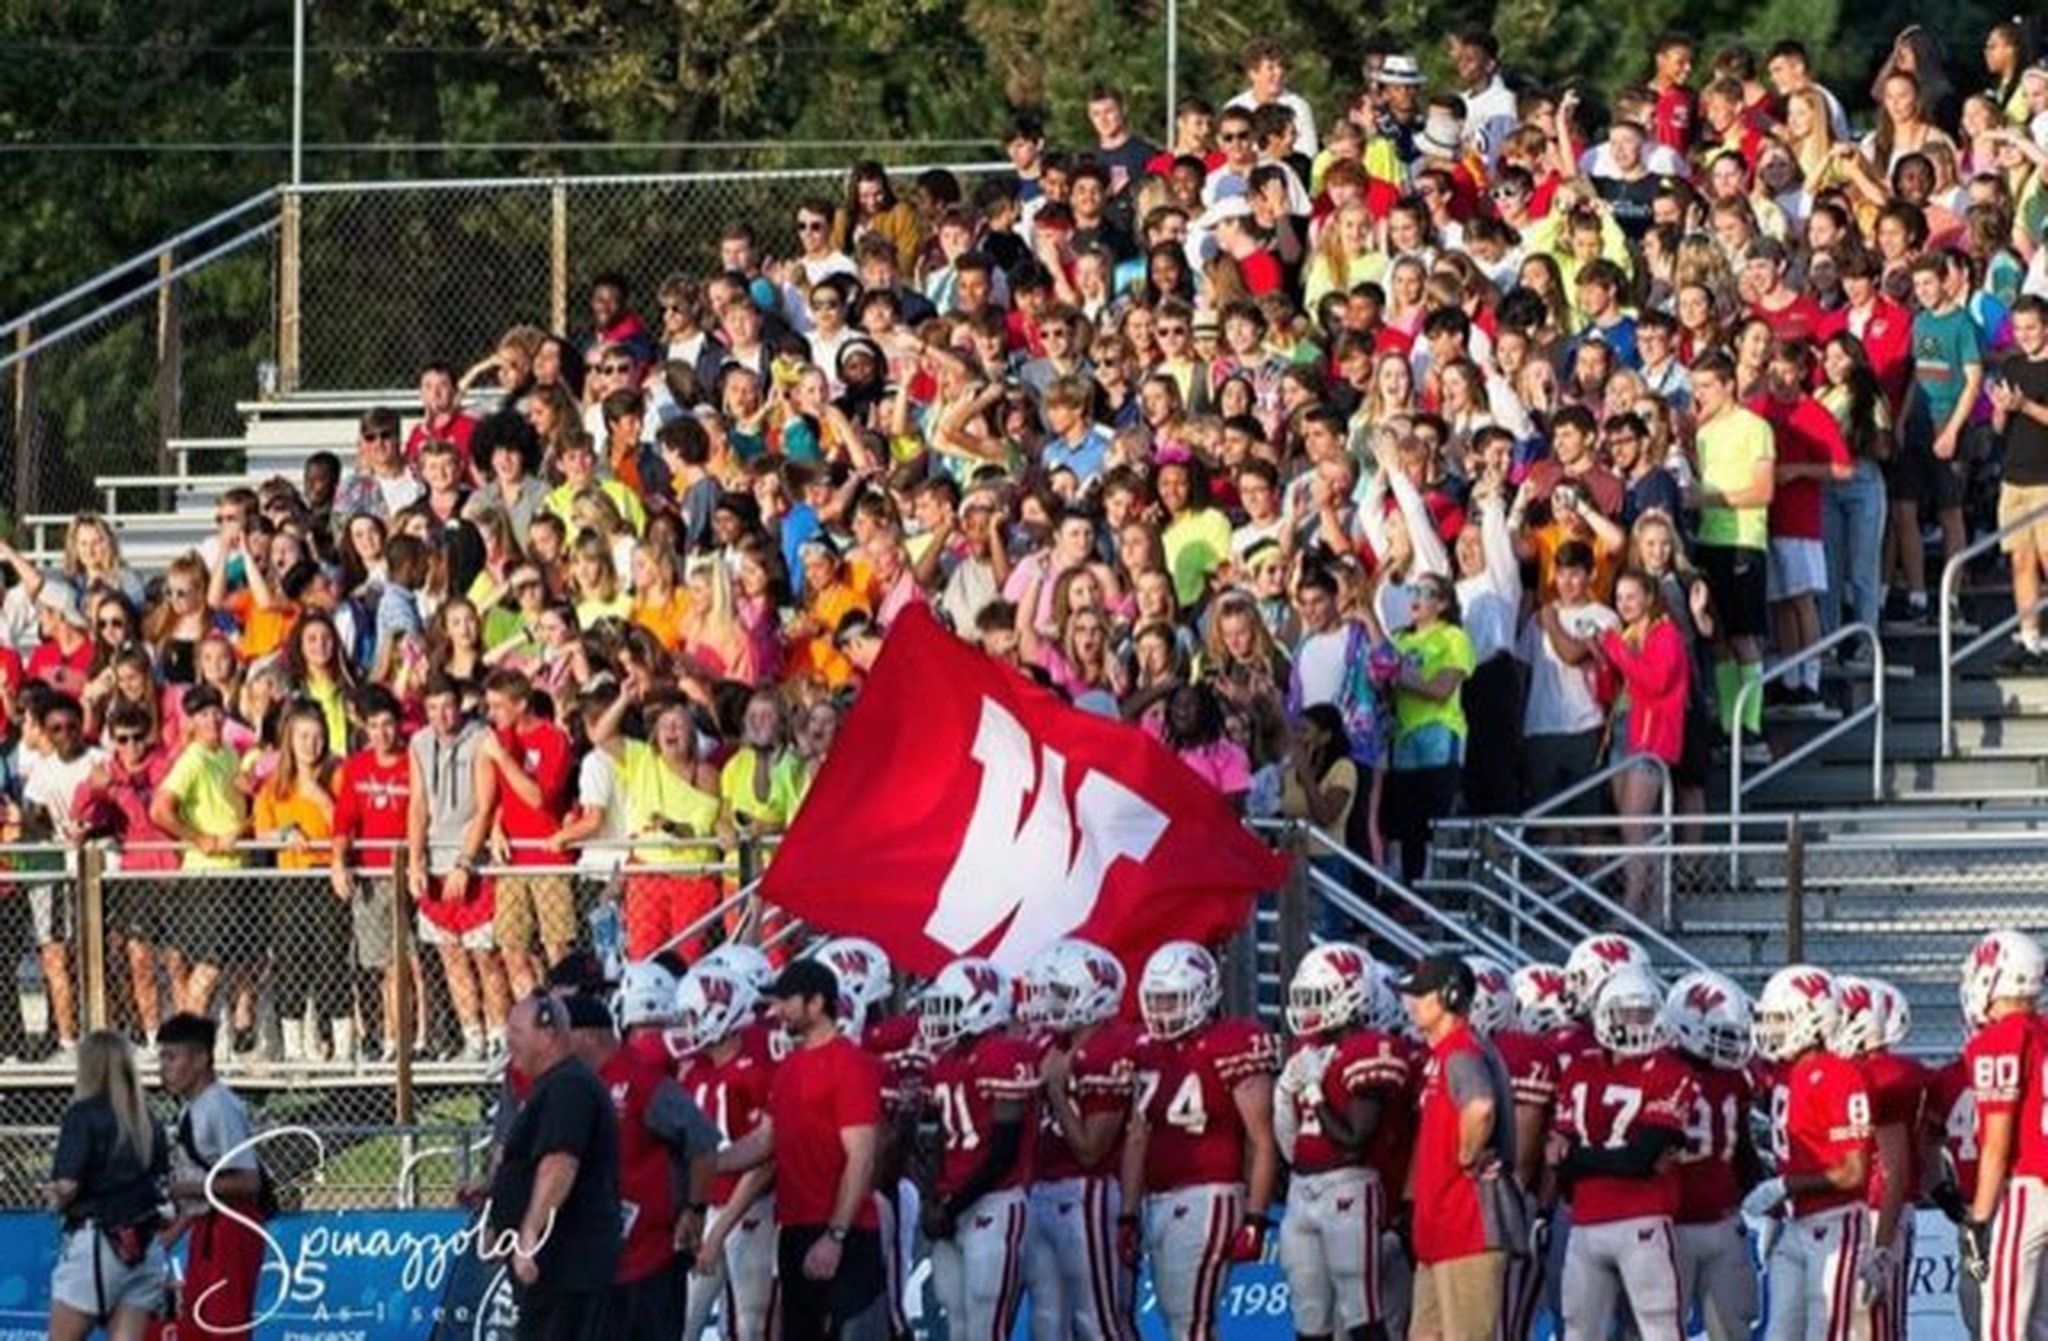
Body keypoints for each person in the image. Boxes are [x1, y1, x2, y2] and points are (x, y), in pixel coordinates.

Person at [717, 958, 888, 1340]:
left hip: (843, 1231)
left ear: (815, 1003)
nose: (775, 1010)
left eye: (785, 1001)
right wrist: (711, 1162)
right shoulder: (789, 1067)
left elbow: (861, 1156)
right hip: (795, 1227)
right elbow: (765, 1141)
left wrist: (836, 1235)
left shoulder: (850, 1064)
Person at [1120, 939, 1279, 1341]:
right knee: (1180, 1322)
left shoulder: (1232, 1043)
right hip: (1158, 1199)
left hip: (1209, 1195)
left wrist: (1255, 1217)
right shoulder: (1144, 1049)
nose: (1162, 1010)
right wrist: (1128, 1212)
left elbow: (1261, 1139)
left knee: (1193, 1323)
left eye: (1173, 999)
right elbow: (1137, 1137)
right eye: (1157, 1000)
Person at [1550, 963, 1693, 1341]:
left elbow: (1638, 1159)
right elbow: (1559, 1160)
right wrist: (1620, 1161)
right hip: (1586, 1223)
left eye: (1644, 1014)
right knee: (1579, 1331)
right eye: (1626, 1014)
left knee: (1659, 1329)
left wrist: (1577, 1156)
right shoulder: (1581, 1068)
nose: (1636, 1023)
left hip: (1641, 1222)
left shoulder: (1669, 1070)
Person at [1275, 944, 1410, 1341]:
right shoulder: (1311, 1050)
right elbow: (1290, 1139)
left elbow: (1354, 1141)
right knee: (1309, 1313)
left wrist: (1315, 1089)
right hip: (1303, 1190)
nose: (1308, 1009)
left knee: (1360, 1312)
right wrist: (1286, 1093)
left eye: (1317, 998)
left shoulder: (1372, 1049)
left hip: (1348, 1187)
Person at [1743, 965, 1874, 1341]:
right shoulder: (1784, 1073)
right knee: (1779, 1333)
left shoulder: (1839, 1075)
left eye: (1781, 1019)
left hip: (1837, 1224)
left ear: (1812, 1021)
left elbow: (1853, 1172)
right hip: (1795, 1224)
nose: (1771, 1028)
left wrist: (1785, 1185)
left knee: (1828, 1330)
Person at [917, 956, 1040, 1338]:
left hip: (993, 1202)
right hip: (952, 1203)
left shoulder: (1003, 1054)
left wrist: (951, 1205)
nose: (939, 1017)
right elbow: (930, 1140)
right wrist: (931, 1197)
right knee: (957, 1323)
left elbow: (1003, 1150)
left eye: (950, 1006)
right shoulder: (943, 1062)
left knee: (987, 1324)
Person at [1397, 951, 1518, 1341]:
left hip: (1467, 1227)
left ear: (1448, 997)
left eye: (1421, 993)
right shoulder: (1446, 1053)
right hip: (1442, 1231)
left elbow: (1480, 1106)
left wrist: (1467, 1153)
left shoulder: (1461, 1050)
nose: (1412, 1003)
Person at [488, 992, 622, 1340]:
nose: (509, 1040)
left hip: (567, 1265)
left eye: (516, 1030)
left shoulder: (568, 1086)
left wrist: (529, 1234)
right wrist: (497, 1190)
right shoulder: (553, 1085)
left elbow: (560, 1162)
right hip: (561, 1267)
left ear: (547, 1035)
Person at [1027, 937, 1142, 1341]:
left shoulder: (1110, 1048)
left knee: (1098, 1321)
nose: (1050, 1002)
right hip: (1042, 1191)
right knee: (1047, 1324)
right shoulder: (1048, 1043)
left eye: (1060, 992)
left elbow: (1091, 1150)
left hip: (1086, 1192)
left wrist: (1056, 1092)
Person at [675, 962, 782, 1341]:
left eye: (692, 1015)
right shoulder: (699, 1069)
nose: (685, 1025)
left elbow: (765, 1159)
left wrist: (719, 1228)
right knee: (681, 1320)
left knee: (751, 1324)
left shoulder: (755, 1066)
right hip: (708, 1207)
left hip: (752, 1207)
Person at [49, 1031, 170, 1341]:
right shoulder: (147, 1120)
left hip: (97, 1241)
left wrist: (53, 1199)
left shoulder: (82, 1114)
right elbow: (161, 1180)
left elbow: (68, 1184)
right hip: (143, 1244)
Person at [1660, 972, 1761, 1341]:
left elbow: (1744, 1145)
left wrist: (1757, 1190)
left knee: (1733, 1327)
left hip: (1722, 1218)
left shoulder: (1735, 1078)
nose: (1733, 1044)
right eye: (1723, 1033)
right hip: (1671, 1223)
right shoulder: (1661, 1072)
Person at [1958, 929, 2048, 1339]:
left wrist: (1978, 1219)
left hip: (2028, 1185)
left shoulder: (2000, 1040)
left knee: (2004, 1323)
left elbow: (1996, 1145)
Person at [158, 1012, 265, 1338]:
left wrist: (185, 1189)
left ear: (201, 1059)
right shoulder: (192, 1107)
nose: (164, 1068)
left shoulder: (220, 1106)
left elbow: (248, 1181)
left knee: (223, 1322)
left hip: (232, 1225)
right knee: (197, 1323)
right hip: (207, 1224)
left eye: (171, 1057)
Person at [1988, 294, 2048, 669]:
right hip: (2014, 477)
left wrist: (2024, 406)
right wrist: (2001, 408)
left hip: (2046, 478)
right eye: (2019, 329)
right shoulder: (2011, 365)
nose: (2024, 335)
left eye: (2031, 328)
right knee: (2021, 560)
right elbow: (1999, 427)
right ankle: (2029, 639)